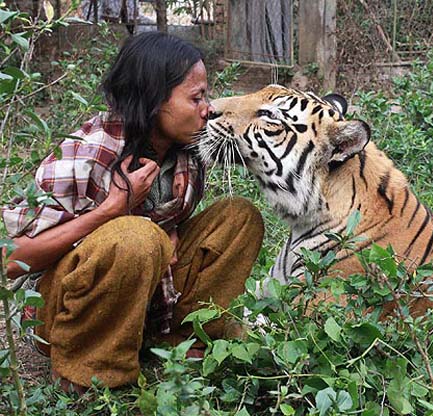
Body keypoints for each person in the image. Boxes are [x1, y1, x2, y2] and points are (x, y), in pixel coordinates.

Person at [1, 31, 264, 392]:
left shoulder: (184, 148)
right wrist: (109, 211)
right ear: (155, 100)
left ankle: (179, 344)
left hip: (145, 296)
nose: (208, 108)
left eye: (206, 95)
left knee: (239, 217)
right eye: (196, 97)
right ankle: (90, 373)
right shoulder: (87, 153)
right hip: (59, 313)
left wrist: (167, 229)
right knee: (135, 237)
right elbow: (10, 259)